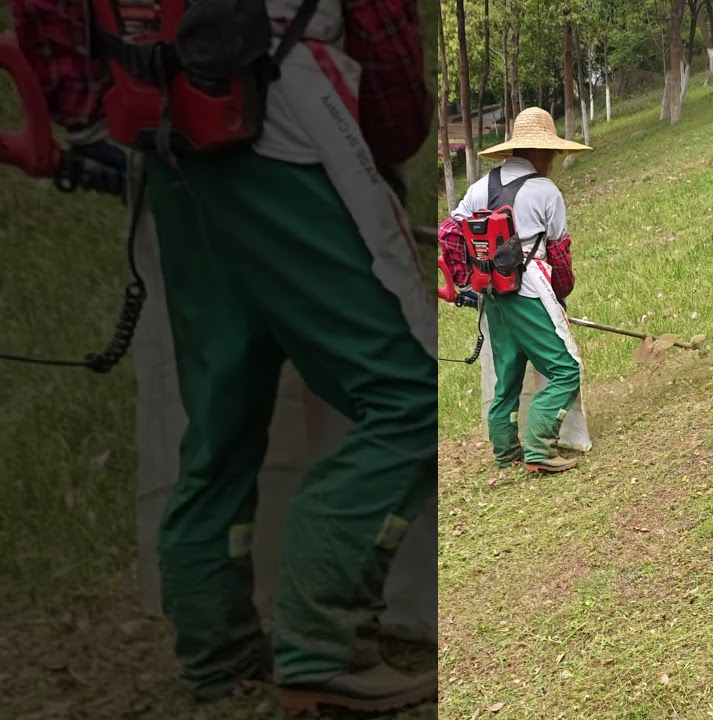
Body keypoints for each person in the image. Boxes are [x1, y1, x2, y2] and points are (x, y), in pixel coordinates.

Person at [10, 0, 438, 713]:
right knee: (409, 393)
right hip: (287, 132)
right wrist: (386, 138)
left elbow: (50, 23)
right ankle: (319, 646)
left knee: (222, 422)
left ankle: (221, 659)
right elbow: (385, 52)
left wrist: (99, 108)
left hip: (165, 139)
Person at [439, 107, 590, 473]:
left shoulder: (478, 188)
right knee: (566, 370)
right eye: (553, 153)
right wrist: (561, 294)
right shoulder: (546, 192)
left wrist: (465, 280)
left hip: (491, 295)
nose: (554, 160)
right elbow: (559, 255)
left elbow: (449, 233)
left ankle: (506, 451)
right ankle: (539, 447)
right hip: (529, 292)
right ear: (540, 152)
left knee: (507, 376)